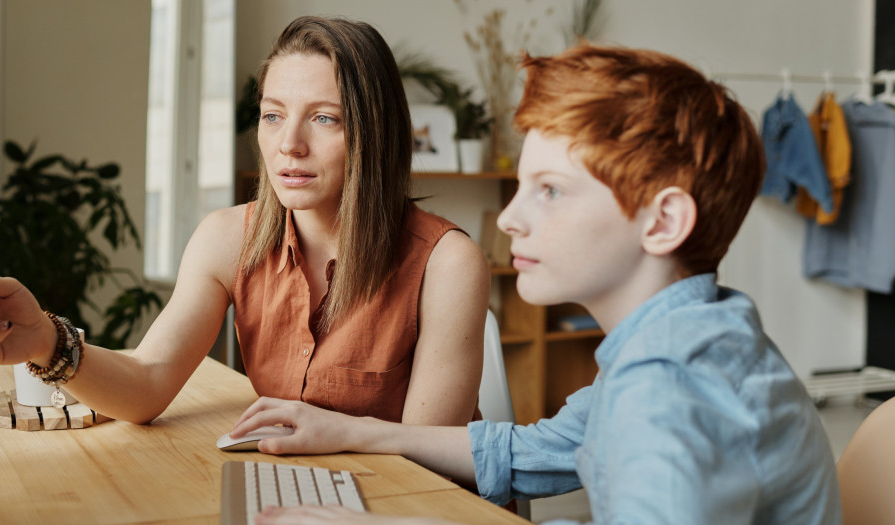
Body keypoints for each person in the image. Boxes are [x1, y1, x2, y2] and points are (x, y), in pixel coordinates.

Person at [230, 44, 842, 525]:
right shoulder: (688, 338)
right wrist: (354, 432)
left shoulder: (674, 386)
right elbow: (535, 451)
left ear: (663, 222)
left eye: (549, 191)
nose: (508, 218)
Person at [0, 16, 489, 427]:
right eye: (273, 115)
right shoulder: (228, 238)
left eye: (324, 118)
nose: (288, 145)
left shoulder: (447, 263)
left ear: (376, 134)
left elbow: (425, 460)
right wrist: (46, 340)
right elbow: (147, 384)